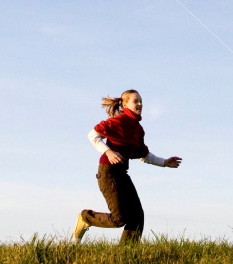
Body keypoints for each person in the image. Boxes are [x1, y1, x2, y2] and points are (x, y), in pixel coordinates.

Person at [72, 89, 181, 243]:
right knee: (119, 218)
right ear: (125, 104)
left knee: (137, 216)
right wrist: (108, 152)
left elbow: (144, 155)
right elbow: (92, 135)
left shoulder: (138, 129)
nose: (140, 104)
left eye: (141, 101)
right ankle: (86, 218)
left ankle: (126, 254)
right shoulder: (118, 121)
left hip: (122, 174)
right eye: (136, 101)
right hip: (108, 173)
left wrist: (164, 162)